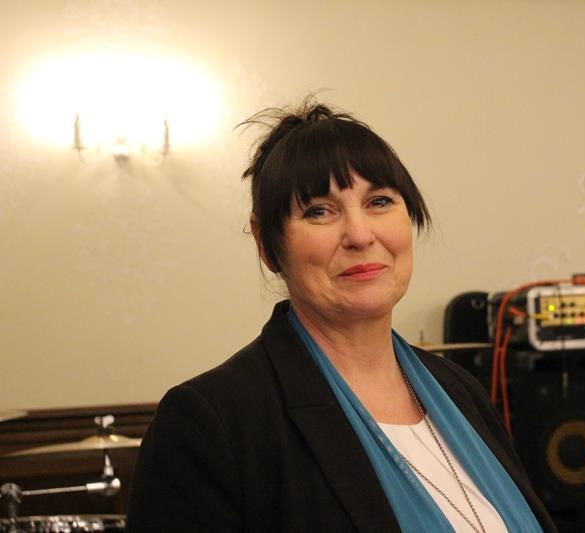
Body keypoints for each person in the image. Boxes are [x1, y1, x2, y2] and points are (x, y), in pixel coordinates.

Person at [126, 98, 557, 533]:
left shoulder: (461, 391)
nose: (359, 235)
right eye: (319, 211)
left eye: (380, 201)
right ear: (266, 243)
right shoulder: (210, 423)